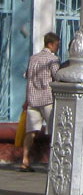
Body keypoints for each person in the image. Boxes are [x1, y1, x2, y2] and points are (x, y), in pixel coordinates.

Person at [21, 32, 61, 172]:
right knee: (54, 131)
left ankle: (24, 160)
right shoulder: (53, 59)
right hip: (48, 99)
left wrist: (26, 100)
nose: (57, 47)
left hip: (32, 99)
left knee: (31, 131)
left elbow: (28, 76)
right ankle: (54, 162)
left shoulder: (33, 58)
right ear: (50, 44)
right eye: (57, 45)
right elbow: (57, 77)